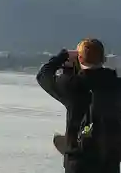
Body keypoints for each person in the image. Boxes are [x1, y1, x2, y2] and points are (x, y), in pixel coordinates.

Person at [37, 38, 121, 173]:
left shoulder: (71, 85)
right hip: (109, 163)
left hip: (79, 163)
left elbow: (43, 75)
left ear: (80, 59)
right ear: (103, 59)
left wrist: (63, 56)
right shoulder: (116, 85)